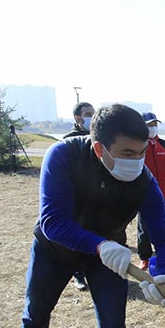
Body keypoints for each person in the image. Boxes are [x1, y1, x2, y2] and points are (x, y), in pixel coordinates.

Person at [7, 104, 165, 328]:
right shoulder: (63, 156)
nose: (137, 161)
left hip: (107, 256)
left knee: (113, 327)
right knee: (36, 310)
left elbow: (164, 238)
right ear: (99, 147)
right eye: (127, 152)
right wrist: (99, 245)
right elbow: (53, 221)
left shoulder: (144, 181)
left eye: (141, 152)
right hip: (54, 249)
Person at [136, 112, 165, 271]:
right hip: (144, 192)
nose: (153, 128)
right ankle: (145, 257)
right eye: (149, 125)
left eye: (155, 124)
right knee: (144, 228)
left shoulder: (164, 144)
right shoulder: (138, 145)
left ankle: (162, 256)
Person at [63, 102, 97, 291]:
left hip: (95, 195)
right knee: (77, 236)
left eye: (93, 113)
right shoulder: (69, 142)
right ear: (78, 118)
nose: (91, 116)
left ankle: (94, 271)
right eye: (87, 114)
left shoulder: (99, 137)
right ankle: (78, 275)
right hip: (77, 196)